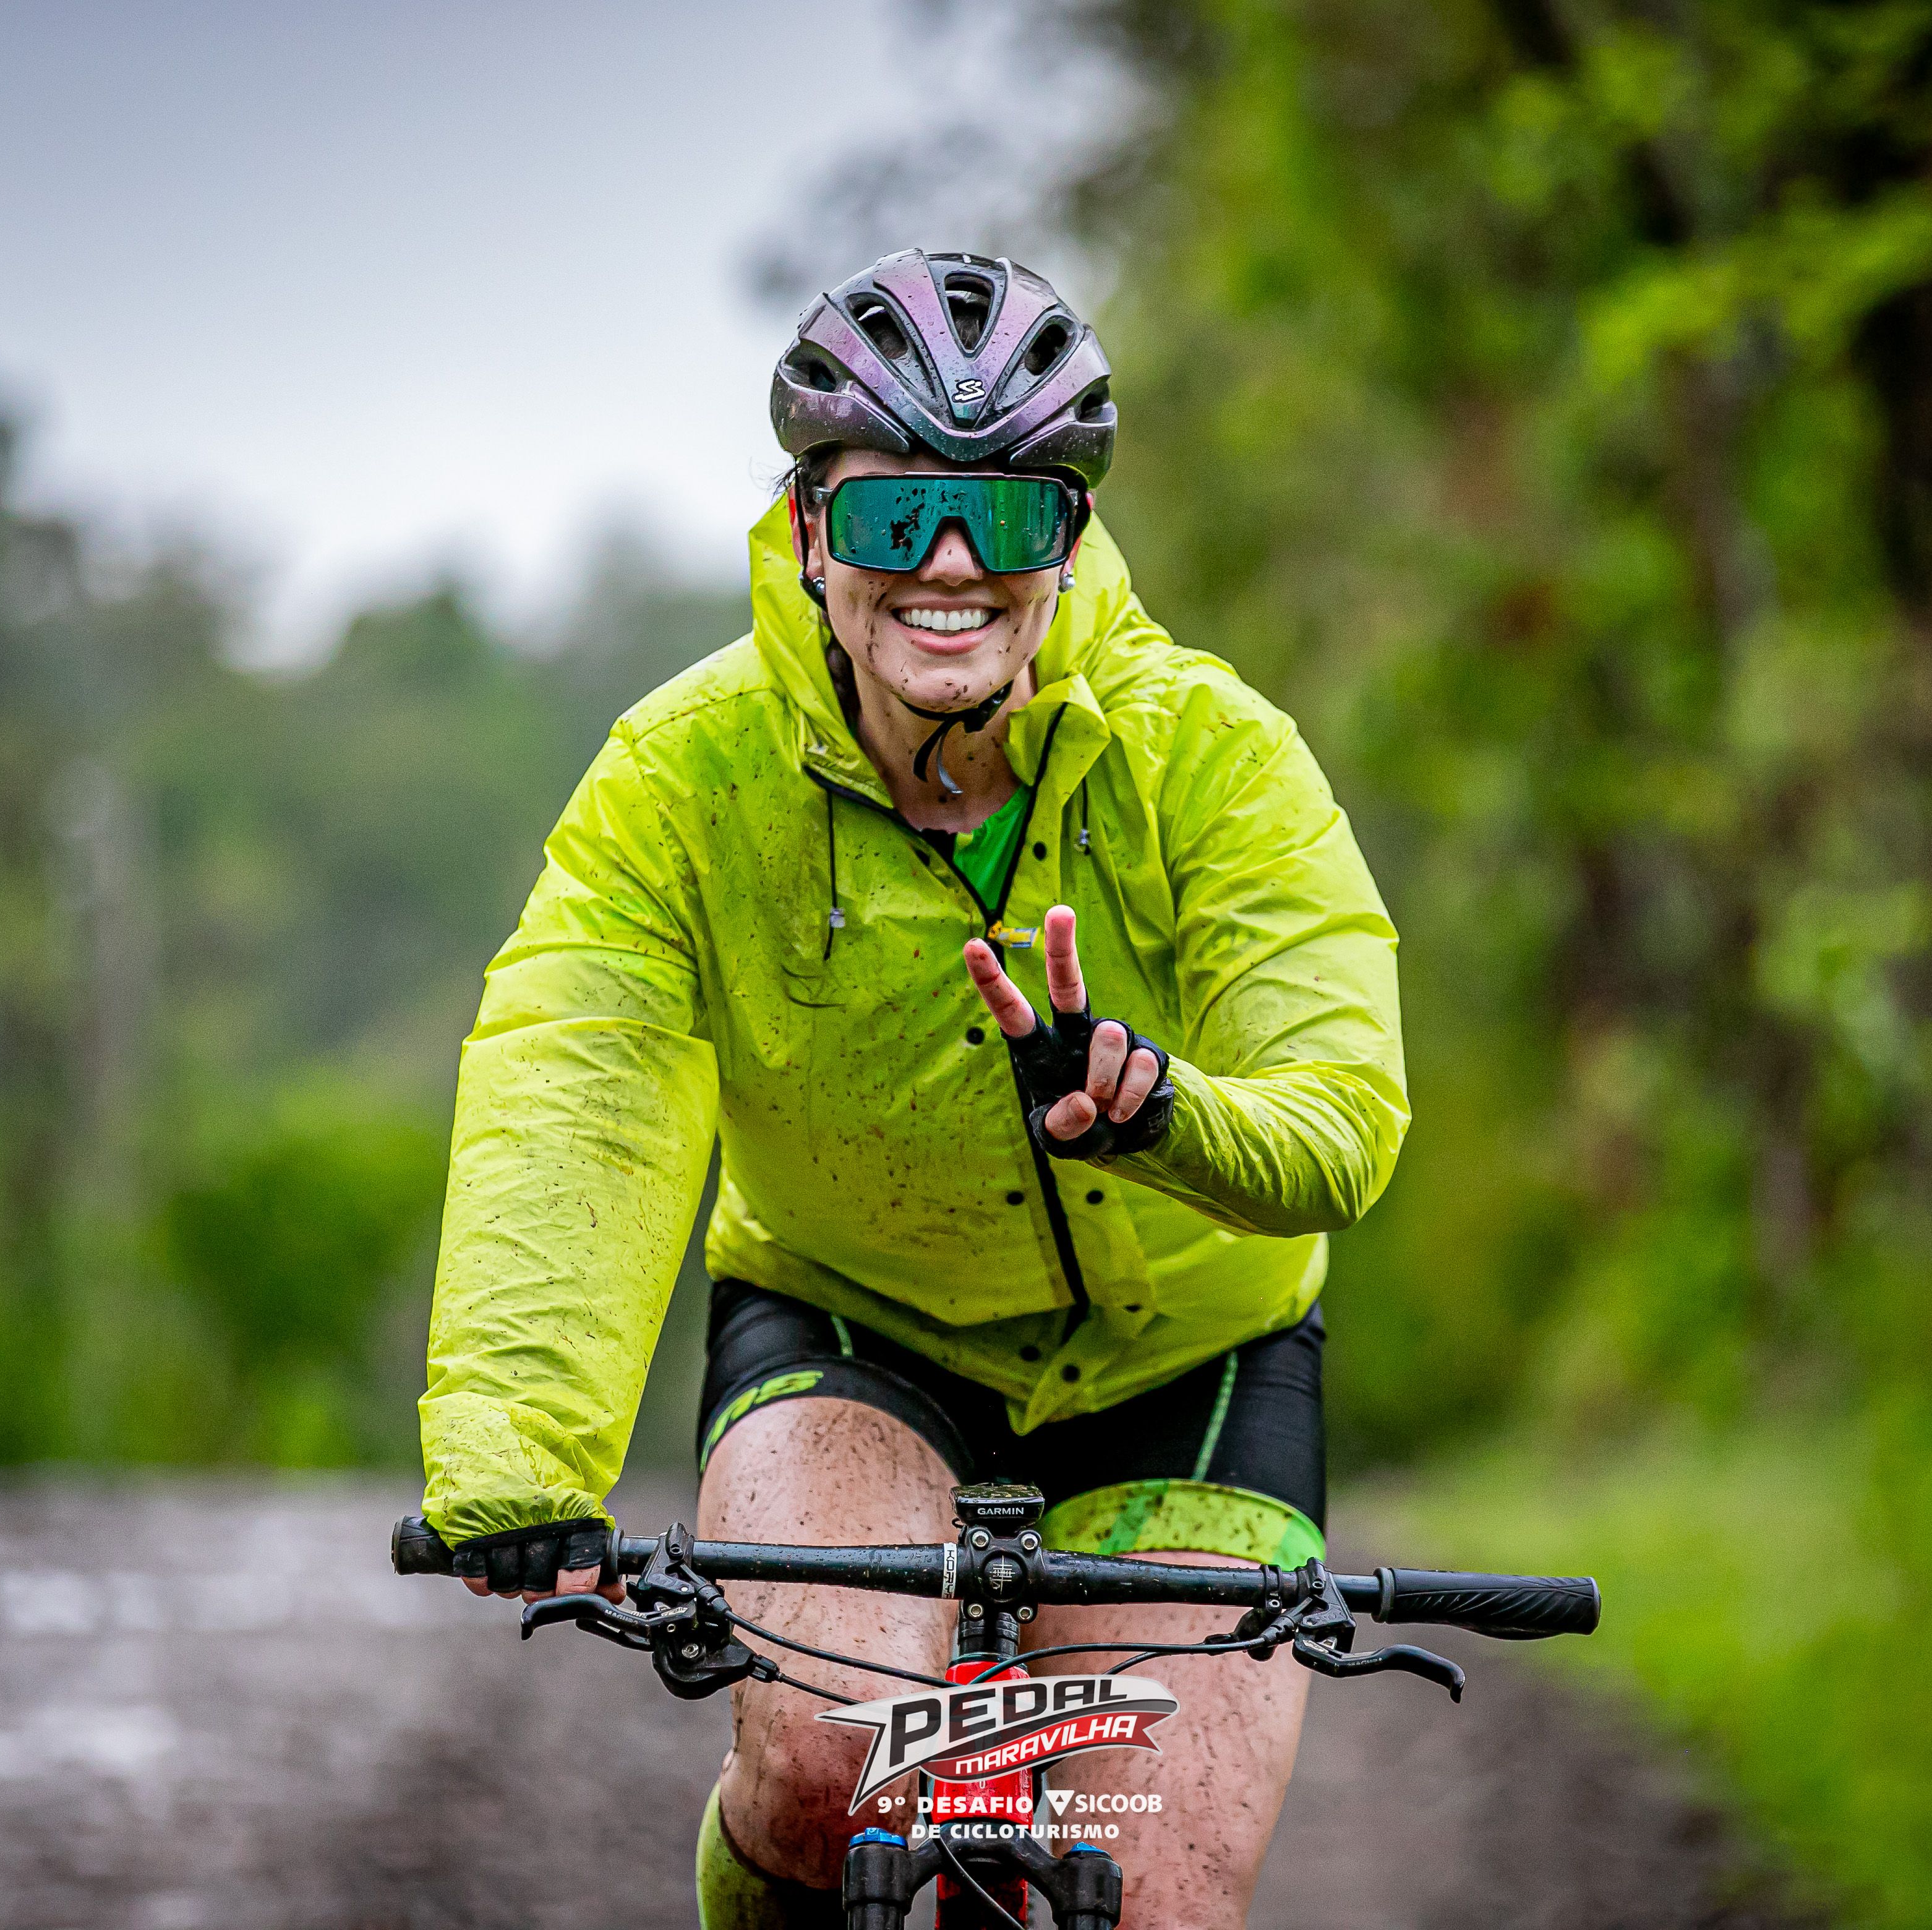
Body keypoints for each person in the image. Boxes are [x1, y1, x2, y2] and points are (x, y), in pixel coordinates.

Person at [417, 248, 1407, 1929]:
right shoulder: (682, 776)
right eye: (893, 517)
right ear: (811, 534)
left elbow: (1343, 1115)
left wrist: (1164, 1109)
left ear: (1068, 542)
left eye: (1003, 516)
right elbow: (576, 1085)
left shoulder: (1211, 754)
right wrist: (519, 1456)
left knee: (1151, 1891)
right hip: (852, 1328)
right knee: (831, 1771)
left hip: (1193, 1366)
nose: (949, 566)